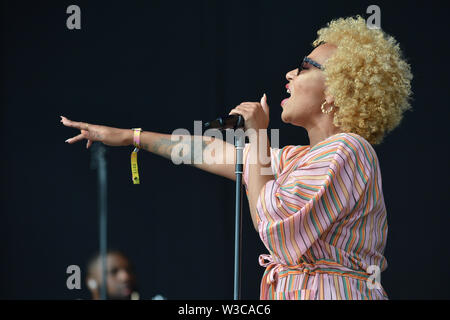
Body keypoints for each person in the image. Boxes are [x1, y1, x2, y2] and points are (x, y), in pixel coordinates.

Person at [61, 15, 412, 300]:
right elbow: (209, 150)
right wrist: (128, 136)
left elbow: (274, 225)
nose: (289, 75)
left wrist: (258, 134)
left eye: (304, 67)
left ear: (336, 90)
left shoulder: (349, 150)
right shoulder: (298, 160)